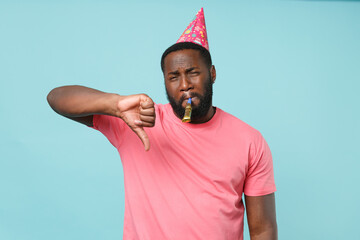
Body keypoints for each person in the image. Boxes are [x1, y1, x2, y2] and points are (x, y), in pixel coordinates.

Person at [47, 8, 277, 240]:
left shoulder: (250, 140)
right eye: (174, 77)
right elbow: (56, 98)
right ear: (165, 82)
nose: (185, 84)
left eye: (193, 72)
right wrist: (114, 104)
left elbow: (263, 230)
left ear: (212, 74)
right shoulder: (137, 120)